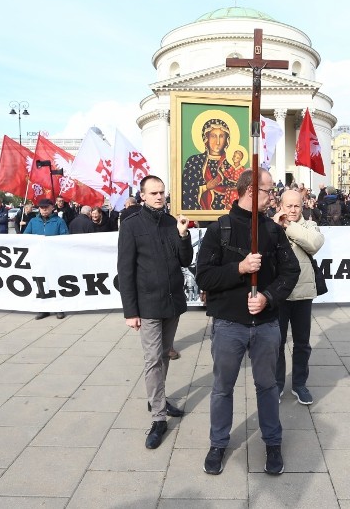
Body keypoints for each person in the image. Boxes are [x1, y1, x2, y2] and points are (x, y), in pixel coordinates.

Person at [196, 168, 300, 476]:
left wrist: (268, 296)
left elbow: (290, 272)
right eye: (268, 191)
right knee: (222, 388)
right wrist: (239, 268)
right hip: (229, 324)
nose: (273, 197)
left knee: (267, 387)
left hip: (266, 324)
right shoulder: (220, 229)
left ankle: (272, 442)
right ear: (251, 191)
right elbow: (203, 276)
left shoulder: (272, 230)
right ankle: (218, 444)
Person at [118, 175, 193, 449]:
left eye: (162, 192)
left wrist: (183, 235)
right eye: (154, 193)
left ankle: (158, 397)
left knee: (164, 355)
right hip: (147, 304)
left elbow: (185, 260)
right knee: (152, 359)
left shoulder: (173, 222)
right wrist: (130, 311)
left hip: (172, 302)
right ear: (143, 196)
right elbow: (125, 270)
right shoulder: (131, 226)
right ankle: (158, 417)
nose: (159, 196)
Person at [272, 189, 324, 405]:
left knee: (302, 343)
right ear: (280, 206)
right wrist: (277, 225)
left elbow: (314, 243)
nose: (293, 210)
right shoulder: (270, 224)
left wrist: (287, 226)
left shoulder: (308, 225)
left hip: (303, 294)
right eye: (288, 206)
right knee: (276, 343)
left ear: (302, 207)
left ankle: (299, 384)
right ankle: (276, 385)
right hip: (278, 294)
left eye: (297, 206)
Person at [23, 198, 69, 319]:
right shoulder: (33, 221)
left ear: (52, 208)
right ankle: (44, 309)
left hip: (54, 258)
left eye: (46, 207)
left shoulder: (59, 221)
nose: (43, 210)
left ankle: (59, 308)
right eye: (41, 208)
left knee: (56, 283)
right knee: (42, 284)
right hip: (39, 258)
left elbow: (65, 238)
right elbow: (26, 237)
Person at [182, 118, 236, 210]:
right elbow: (186, 191)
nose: (218, 142)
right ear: (206, 137)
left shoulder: (231, 163)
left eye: (222, 136)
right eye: (213, 136)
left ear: (227, 139)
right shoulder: (194, 161)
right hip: (201, 217)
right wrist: (206, 187)